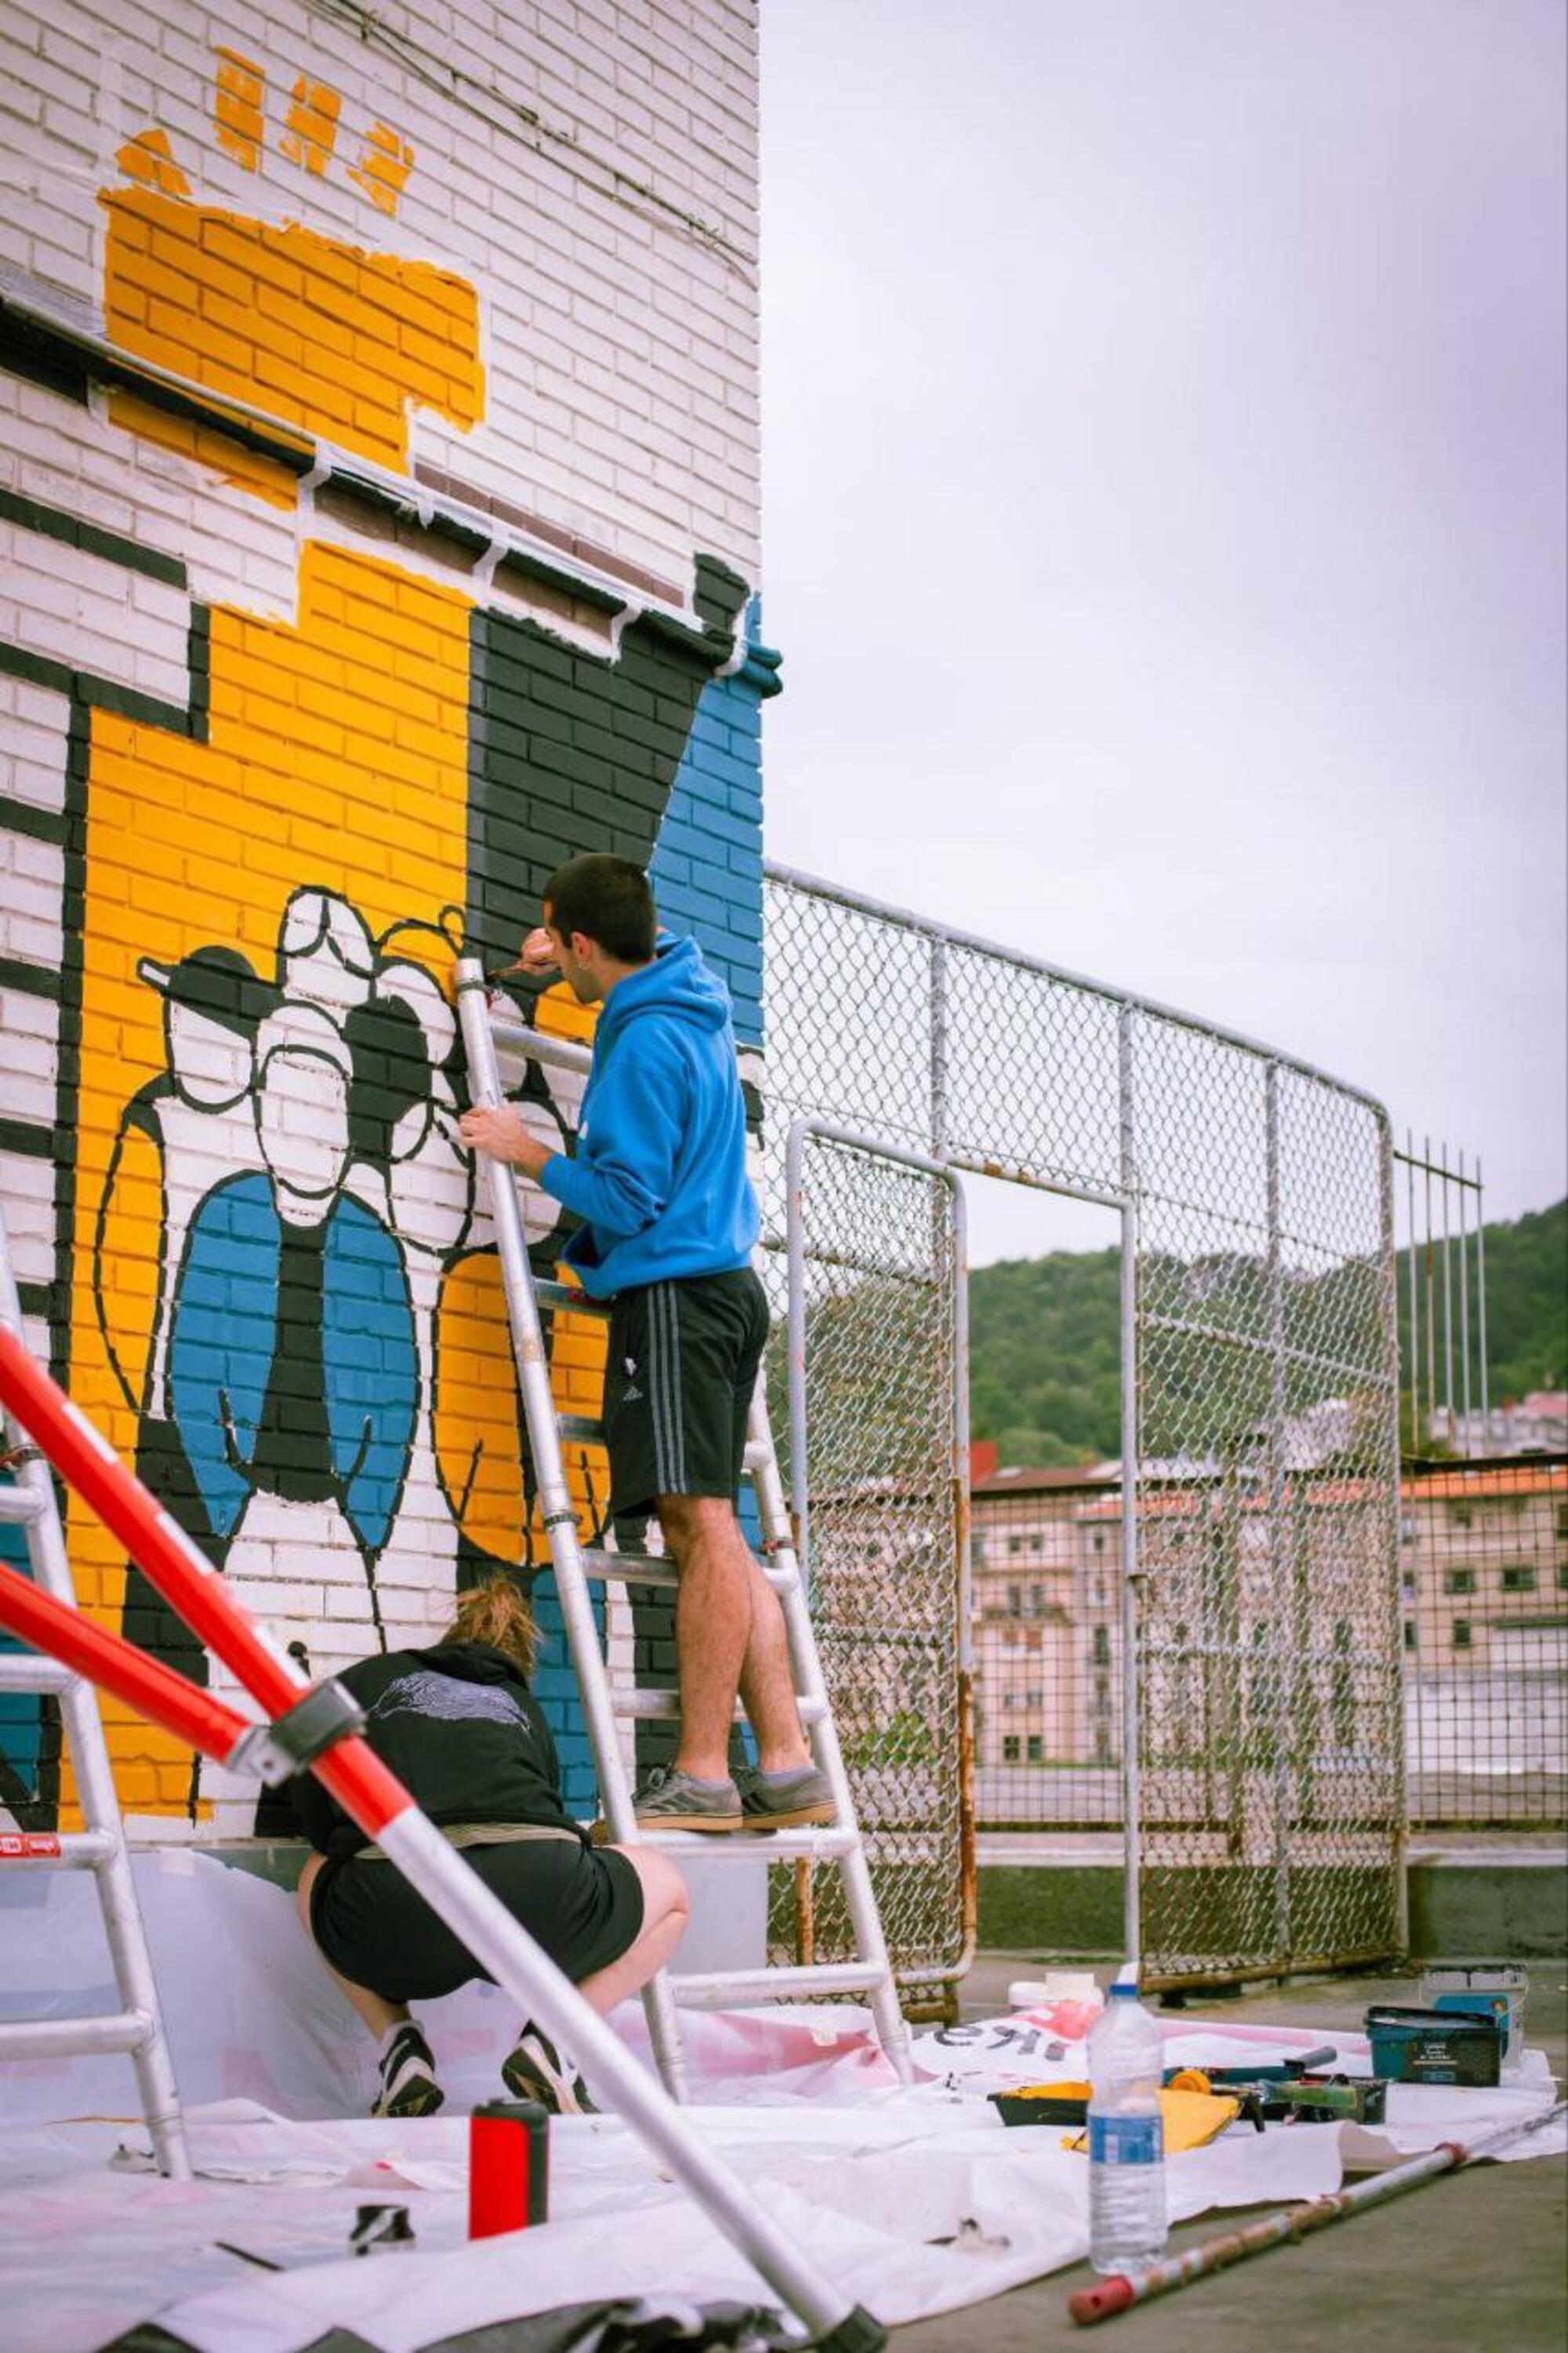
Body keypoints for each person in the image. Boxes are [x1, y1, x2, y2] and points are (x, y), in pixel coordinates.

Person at [458, 852, 833, 1836]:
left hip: (669, 1298)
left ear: (585, 944)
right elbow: (620, 958)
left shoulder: (640, 1048)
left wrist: (525, 1149)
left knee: (701, 1529)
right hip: (723, 1291)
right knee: (716, 1530)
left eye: (557, 940)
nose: (550, 955)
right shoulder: (685, 995)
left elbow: (627, 1198)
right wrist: (562, 953)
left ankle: (704, 1770)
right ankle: (786, 1761)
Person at [292, 1574, 689, 2119]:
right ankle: (555, 2041)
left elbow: (311, 1792)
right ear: (517, 1656)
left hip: (395, 1910)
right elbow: (540, 1809)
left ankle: (399, 2047)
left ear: (448, 1636)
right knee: (672, 1894)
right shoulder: (520, 1703)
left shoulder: (369, 1679)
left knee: (317, 1871)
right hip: (535, 1901)